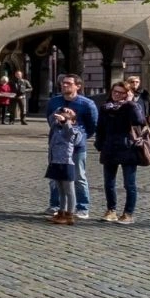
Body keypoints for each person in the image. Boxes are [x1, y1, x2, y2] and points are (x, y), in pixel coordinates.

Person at [43, 75, 99, 218]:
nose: (64, 85)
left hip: (77, 145)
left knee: (79, 176)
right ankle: (55, 205)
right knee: (55, 178)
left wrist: (79, 136)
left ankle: (82, 207)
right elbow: (50, 120)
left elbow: (92, 125)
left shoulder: (87, 104)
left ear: (77, 86)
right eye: (63, 83)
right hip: (56, 145)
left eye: (68, 83)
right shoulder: (54, 101)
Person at [96, 81, 147, 224]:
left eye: (121, 92)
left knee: (129, 184)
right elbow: (100, 127)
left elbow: (139, 121)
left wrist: (130, 103)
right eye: (115, 92)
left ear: (128, 94)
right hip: (110, 147)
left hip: (128, 147)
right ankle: (111, 210)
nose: (117, 95)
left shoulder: (132, 107)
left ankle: (128, 213)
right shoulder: (106, 108)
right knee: (109, 183)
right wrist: (100, 144)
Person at [46, 102, 88, 226]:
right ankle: (61, 212)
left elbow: (70, 135)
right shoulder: (56, 129)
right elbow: (52, 118)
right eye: (61, 118)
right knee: (60, 191)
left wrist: (66, 122)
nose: (61, 120)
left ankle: (70, 214)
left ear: (73, 121)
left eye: (66, 118)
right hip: (55, 162)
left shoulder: (74, 131)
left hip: (66, 164)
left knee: (69, 191)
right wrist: (61, 109)